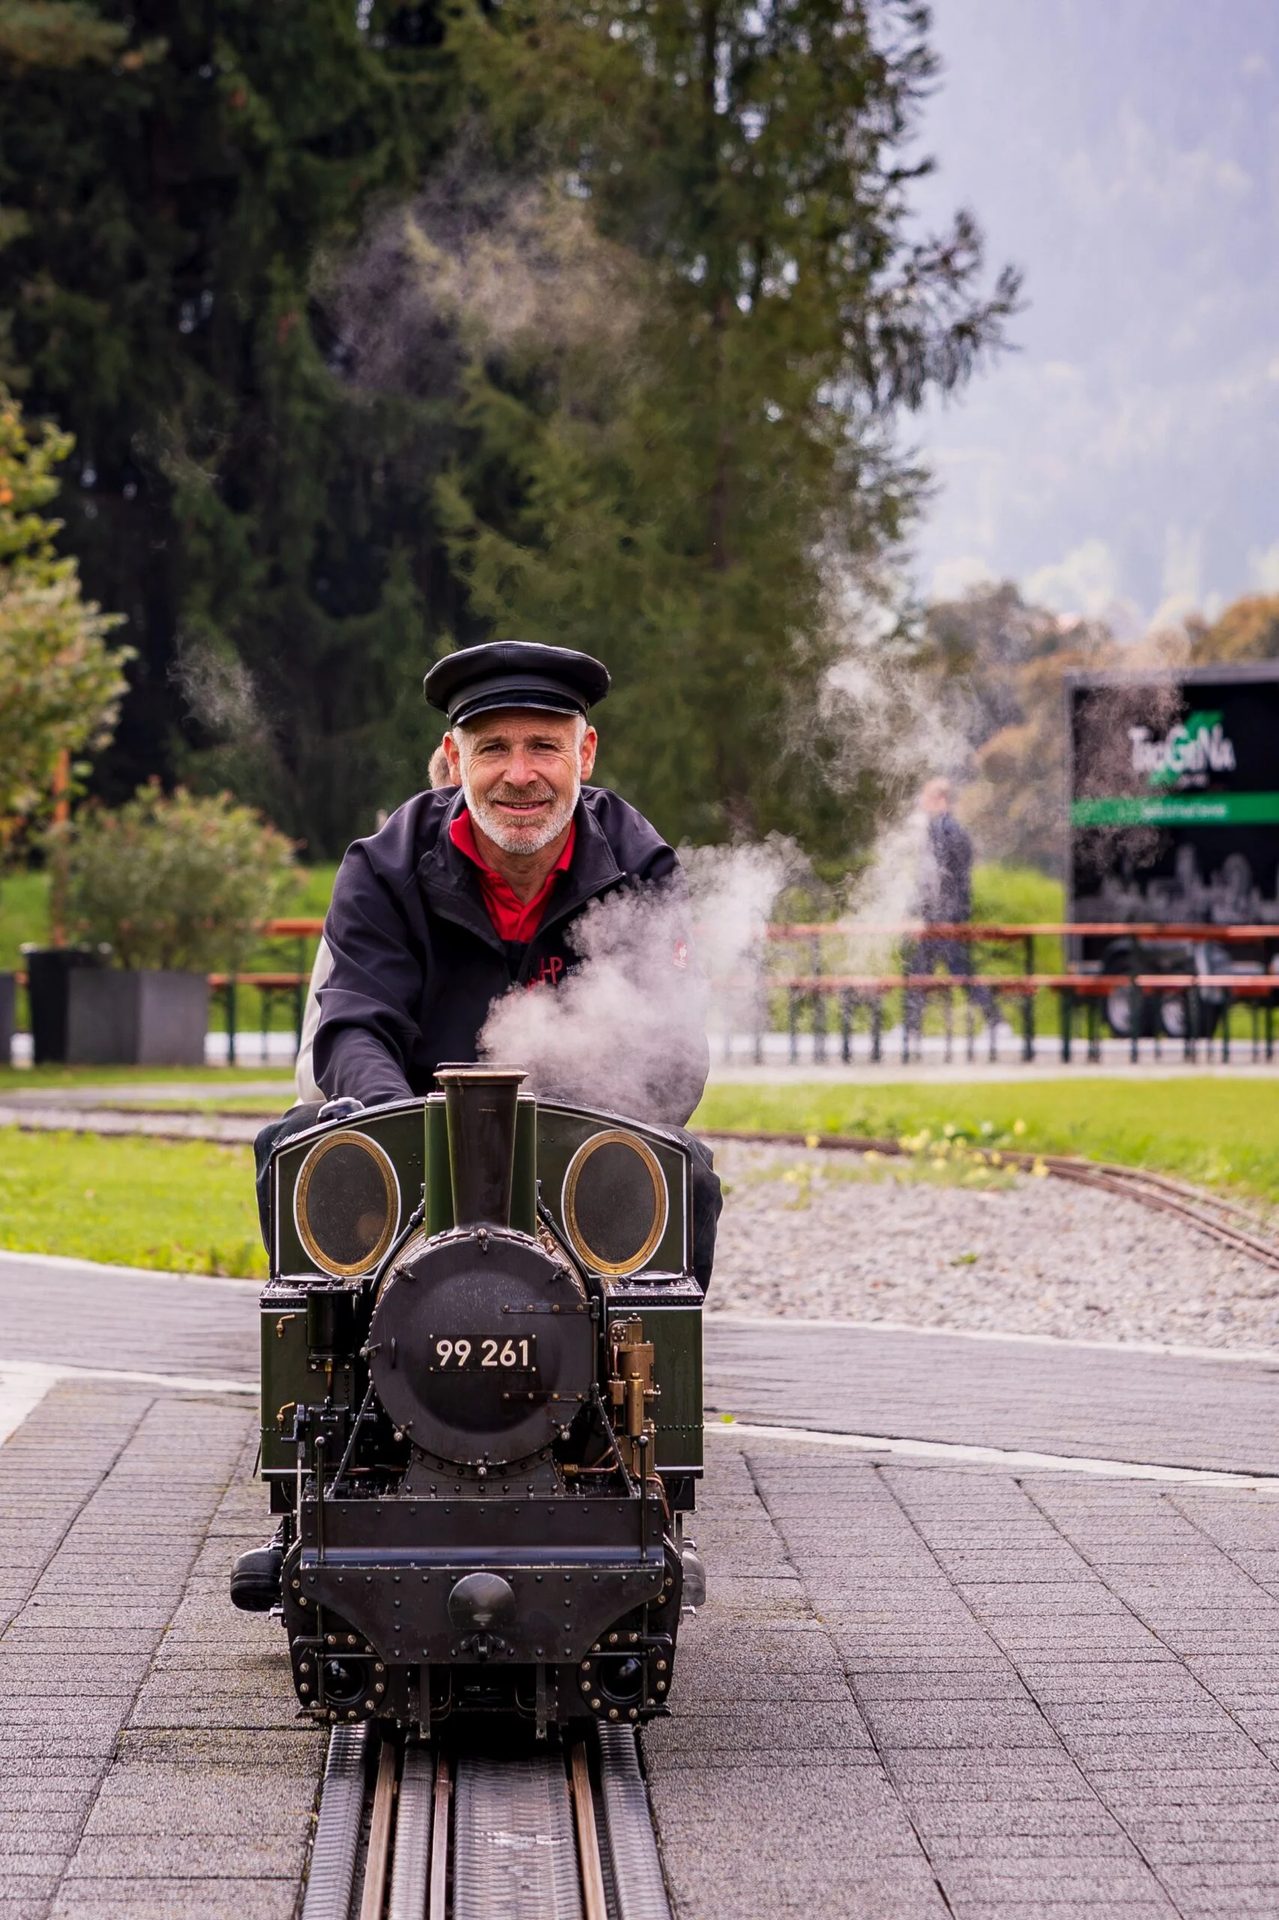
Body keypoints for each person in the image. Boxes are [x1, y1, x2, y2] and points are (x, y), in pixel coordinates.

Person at [902, 776, 998, 1041]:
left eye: (928, 798)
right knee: (924, 967)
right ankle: (911, 1025)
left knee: (956, 969)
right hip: (942, 916)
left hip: (946, 918)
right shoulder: (944, 829)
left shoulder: (946, 831)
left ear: (941, 800)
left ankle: (995, 1021)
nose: (922, 804)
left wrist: (939, 915)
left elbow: (944, 879)